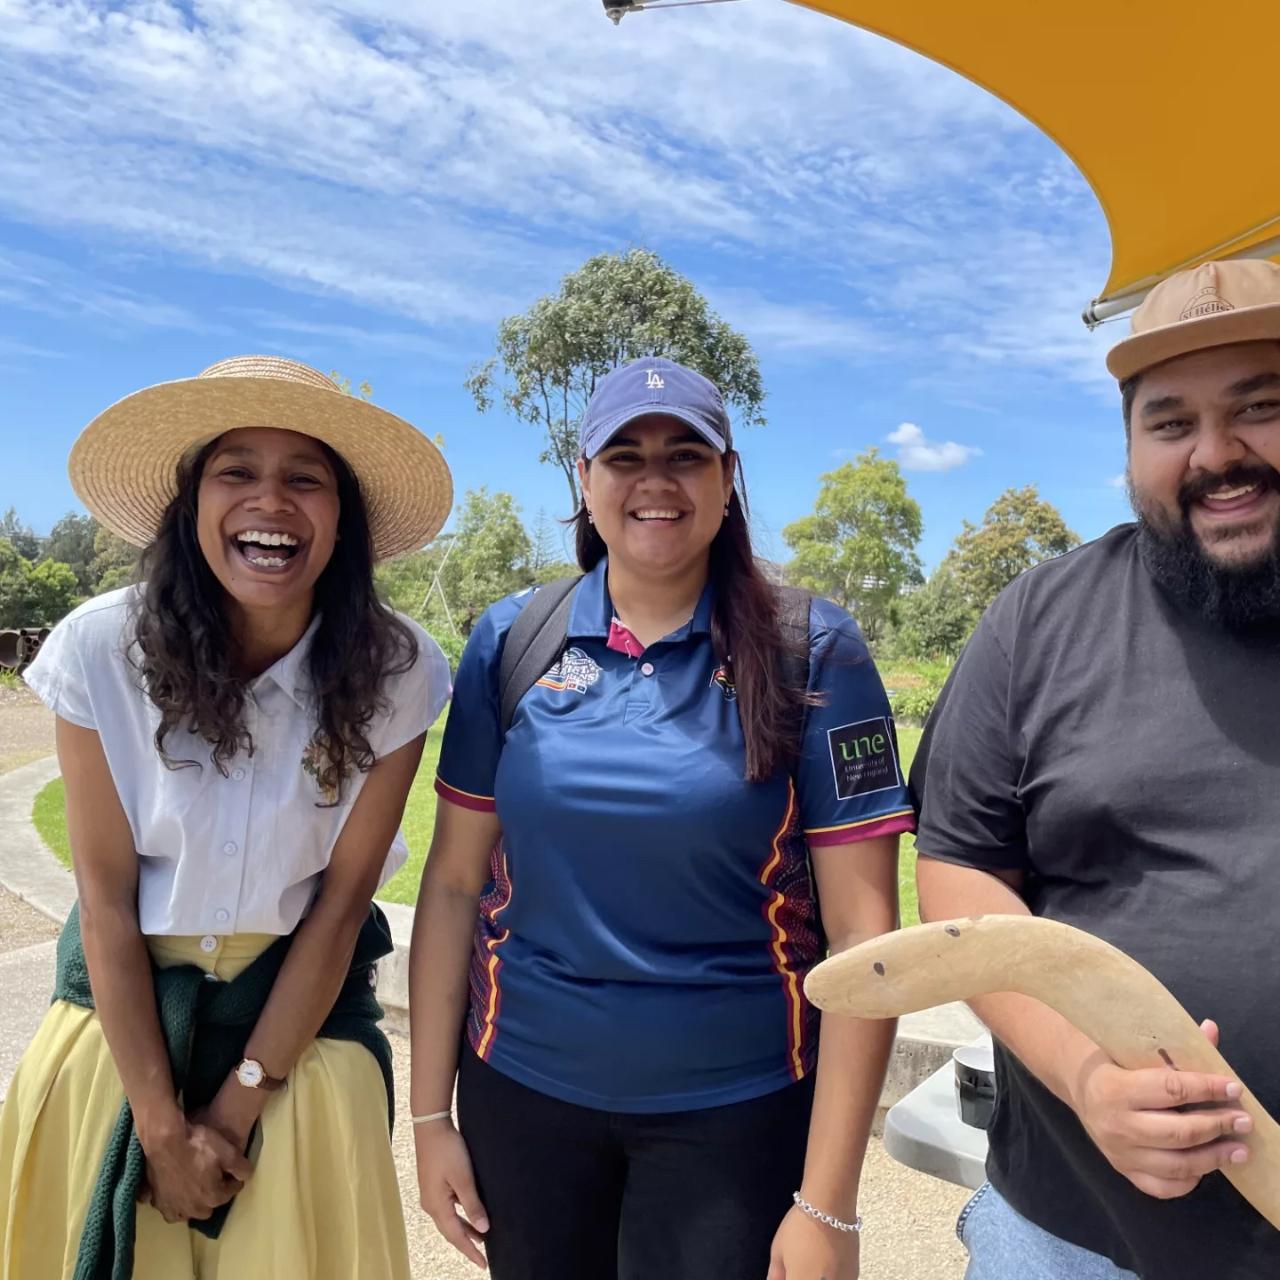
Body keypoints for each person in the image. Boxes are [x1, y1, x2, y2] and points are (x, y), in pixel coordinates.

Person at [409, 356, 912, 1280]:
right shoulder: (512, 641)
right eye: (624, 455)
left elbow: (864, 931)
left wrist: (829, 1204)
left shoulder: (815, 648)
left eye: (685, 455)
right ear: (585, 483)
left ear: (727, 481)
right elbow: (450, 886)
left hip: (737, 1116)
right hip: (520, 1097)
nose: (655, 481)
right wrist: (430, 1117)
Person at [0, 356, 453, 1279]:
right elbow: (106, 903)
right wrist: (163, 1130)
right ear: (191, 502)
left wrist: (236, 1106)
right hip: (117, 1051)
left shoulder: (402, 670)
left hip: (297, 1050)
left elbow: (340, 908)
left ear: (343, 518)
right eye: (236, 471)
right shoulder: (98, 649)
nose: (270, 501)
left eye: (304, 478)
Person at [911, 259, 1280, 1280]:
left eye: (1259, 406)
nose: (1216, 453)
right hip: (1068, 1238)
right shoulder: (1037, 620)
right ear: (1128, 446)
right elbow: (957, 870)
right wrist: (1082, 1071)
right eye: (1169, 423)